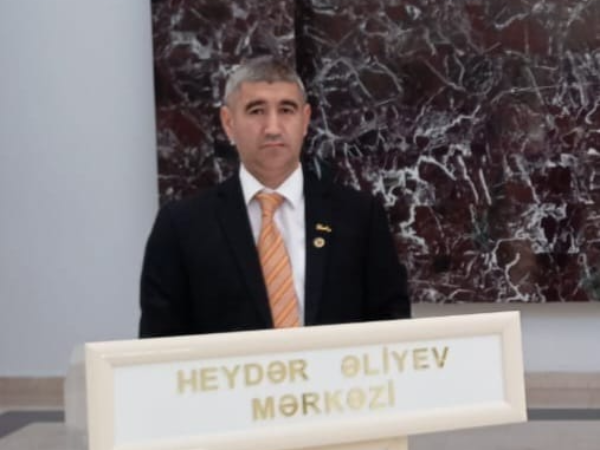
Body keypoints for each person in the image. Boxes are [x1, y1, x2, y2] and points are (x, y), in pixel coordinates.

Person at [139, 55, 410, 338]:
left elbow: (392, 328)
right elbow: (159, 344)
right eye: (256, 111)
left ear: (305, 120)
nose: (272, 128)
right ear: (228, 123)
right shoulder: (182, 226)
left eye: (286, 110)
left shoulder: (359, 216)